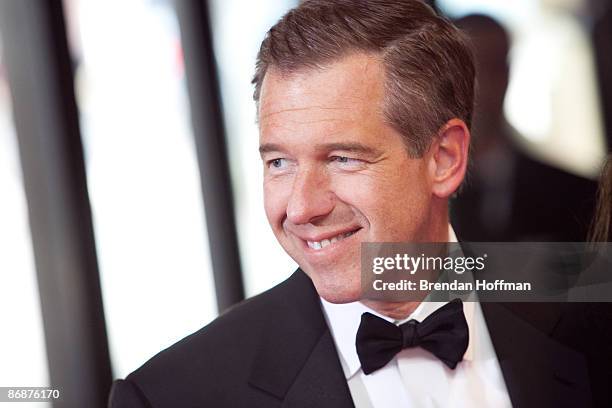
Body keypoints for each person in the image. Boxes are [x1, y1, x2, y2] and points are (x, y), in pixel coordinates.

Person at [109, 1, 611, 407]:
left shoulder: (587, 324)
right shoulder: (174, 395)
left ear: (444, 158)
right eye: (279, 162)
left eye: (343, 158)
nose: (301, 208)